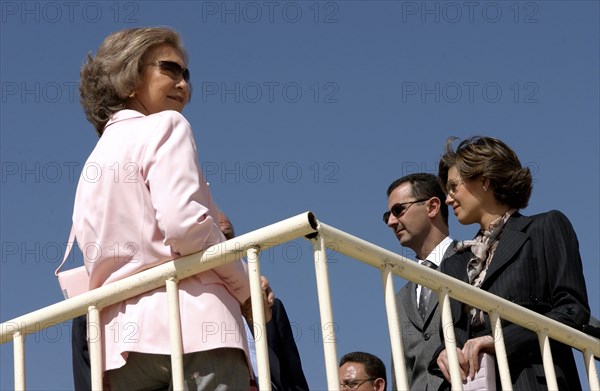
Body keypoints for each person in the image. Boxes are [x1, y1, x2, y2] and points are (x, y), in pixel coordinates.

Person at [73, 27, 252, 390]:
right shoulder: (167, 125)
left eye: (186, 74)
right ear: (128, 78)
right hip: (195, 326)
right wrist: (246, 289)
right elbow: (186, 227)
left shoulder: (93, 163)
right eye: (169, 69)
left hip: (120, 349)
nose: (183, 83)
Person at [434, 136, 590, 390]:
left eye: (453, 187)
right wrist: (443, 352)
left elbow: (572, 310)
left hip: (531, 381)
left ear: (484, 181)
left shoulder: (544, 228)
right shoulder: (455, 262)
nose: (448, 199)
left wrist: (499, 341)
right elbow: (453, 334)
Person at [219, 211, 309, 391]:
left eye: (227, 237)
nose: (223, 245)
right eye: (214, 237)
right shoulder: (181, 307)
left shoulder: (270, 305)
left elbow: (294, 379)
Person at [383, 173, 455, 391]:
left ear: (432, 206)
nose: (391, 222)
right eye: (387, 215)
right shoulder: (399, 298)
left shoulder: (473, 262)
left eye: (398, 210)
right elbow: (402, 371)